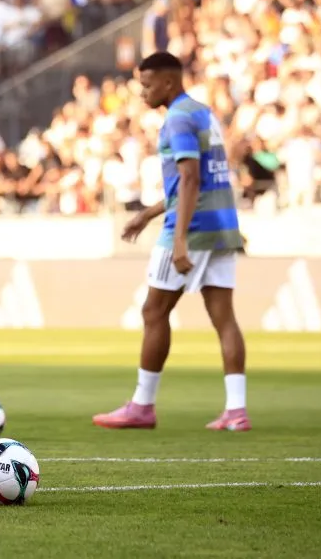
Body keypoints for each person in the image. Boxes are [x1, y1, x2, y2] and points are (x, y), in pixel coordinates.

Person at [93, 52, 250, 432]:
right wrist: (148, 214)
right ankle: (236, 411)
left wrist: (179, 240)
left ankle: (142, 406)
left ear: (167, 82)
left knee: (153, 311)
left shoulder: (177, 119)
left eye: (146, 85)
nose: (142, 92)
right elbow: (196, 182)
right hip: (222, 224)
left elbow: (191, 179)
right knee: (223, 317)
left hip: (192, 228)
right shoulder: (202, 112)